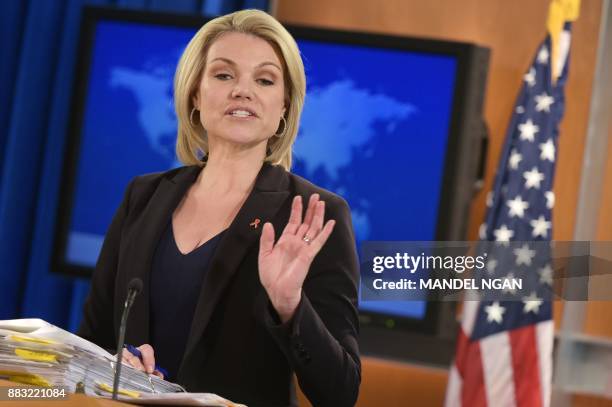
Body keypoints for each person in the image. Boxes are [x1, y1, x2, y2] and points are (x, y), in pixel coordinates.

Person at [77, 9, 360, 407]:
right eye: (224, 75)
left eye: (264, 80)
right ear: (195, 93)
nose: (242, 91)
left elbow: (340, 393)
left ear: (284, 107)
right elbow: (93, 341)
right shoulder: (142, 197)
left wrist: (289, 306)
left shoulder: (315, 214)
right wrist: (115, 368)